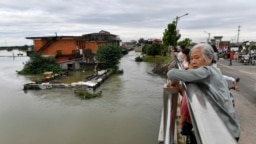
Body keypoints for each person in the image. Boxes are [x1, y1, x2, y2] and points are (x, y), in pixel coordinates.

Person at [167, 43, 240, 141]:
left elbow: (171, 73)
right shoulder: (215, 71)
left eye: (197, 58)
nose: (193, 62)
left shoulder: (207, 71)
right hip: (229, 129)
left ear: (209, 58)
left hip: (227, 133)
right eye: (191, 58)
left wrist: (177, 78)